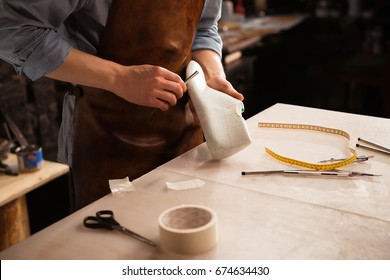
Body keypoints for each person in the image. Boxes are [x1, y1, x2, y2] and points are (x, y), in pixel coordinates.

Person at [0, 0, 244, 210]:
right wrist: (118, 78)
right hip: (103, 140)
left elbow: (202, 28)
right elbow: (11, 30)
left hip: (184, 135)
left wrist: (212, 77)